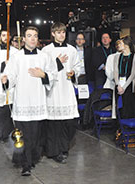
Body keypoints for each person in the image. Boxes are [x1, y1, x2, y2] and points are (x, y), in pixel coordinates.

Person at [1, 26, 55, 176]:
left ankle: (31, 159)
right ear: (23, 39)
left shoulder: (44, 57)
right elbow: (10, 76)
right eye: (29, 35)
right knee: (23, 134)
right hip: (23, 100)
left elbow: (53, 75)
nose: (32, 38)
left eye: (35, 36)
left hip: (38, 100)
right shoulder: (17, 57)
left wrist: (43, 74)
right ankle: (25, 164)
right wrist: (6, 80)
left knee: (35, 135)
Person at [41, 22, 80, 164]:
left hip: (67, 88)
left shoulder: (72, 50)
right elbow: (44, 71)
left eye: (63, 32)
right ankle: (54, 151)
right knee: (54, 124)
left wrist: (74, 72)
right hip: (53, 90)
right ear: (53, 34)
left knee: (68, 122)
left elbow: (78, 66)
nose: (61, 35)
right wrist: (58, 62)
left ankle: (64, 148)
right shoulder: (46, 50)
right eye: (58, 32)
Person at [113, 36, 135, 118]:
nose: (118, 45)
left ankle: (128, 127)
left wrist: (124, 87)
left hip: (129, 86)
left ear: (126, 45)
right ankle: (119, 126)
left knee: (128, 107)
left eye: (120, 43)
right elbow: (115, 71)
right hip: (119, 85)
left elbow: (133, 74)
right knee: (118, 106)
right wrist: (118, 85)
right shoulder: (117, 57)